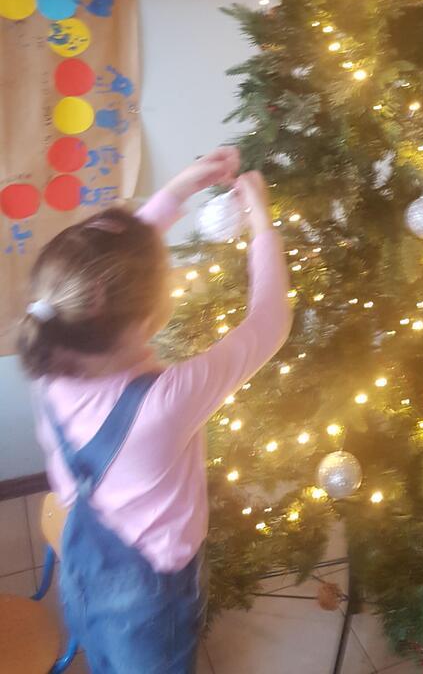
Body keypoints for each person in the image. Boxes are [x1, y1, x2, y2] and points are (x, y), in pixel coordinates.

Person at [17, 148, 292, 673]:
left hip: (84, 569)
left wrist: (182, 188)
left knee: (103, 654)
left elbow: (103, 273)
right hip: (151, 601)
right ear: (148, 317)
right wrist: (262, 224)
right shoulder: (166, 401)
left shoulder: (47, 356)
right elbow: (269, 323)